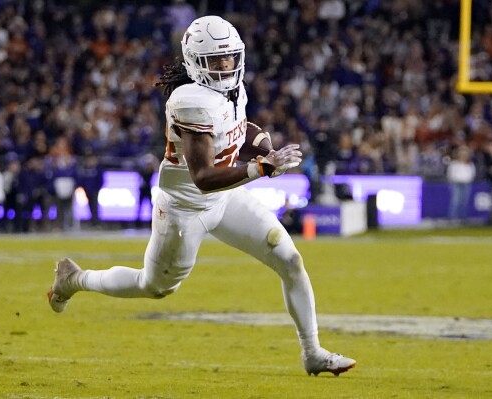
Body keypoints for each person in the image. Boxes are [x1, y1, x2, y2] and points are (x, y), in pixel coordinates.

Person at [47, 16, 355, 376]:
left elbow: (241, 126)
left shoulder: (230, 90)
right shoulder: (190, 101)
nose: (226, 66)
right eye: (216, 60)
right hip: (185, 209)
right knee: (154, 287)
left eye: (230, 58)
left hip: (225, 199)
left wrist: (266, 148)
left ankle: (312, 352)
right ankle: (74, 279)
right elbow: (205, 178)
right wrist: (262, 168)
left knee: (290, 261)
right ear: (195, 62)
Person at [446, 146, 475, 222]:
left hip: (466, 184)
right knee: (455, 201)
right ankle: (453, 218)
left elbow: (472, 174)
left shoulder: (470, 164)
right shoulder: (454, 164)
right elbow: (450, 174)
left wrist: (467, 180)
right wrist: (455, 180)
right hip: (456, 184)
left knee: (464, 201)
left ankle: (462, 218)